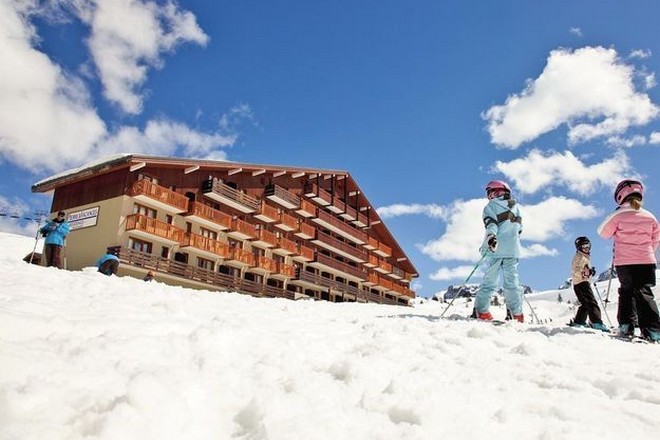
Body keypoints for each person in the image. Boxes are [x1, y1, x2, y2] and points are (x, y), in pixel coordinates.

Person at [598, 179, 660, 341]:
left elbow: (602, 232)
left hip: (625, 261)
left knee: (626, 292)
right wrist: (646, 251)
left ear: (620, 196)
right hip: (647, 260)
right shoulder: (650, 216)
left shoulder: (618, 215)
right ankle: (653, 330)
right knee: (645, 293)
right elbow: (656, 238)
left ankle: (626, 327)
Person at [474, 180, 525, 322]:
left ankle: (481, 310)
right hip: (513, 250)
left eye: (490, 191)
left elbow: (491, 224)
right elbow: (519, 229)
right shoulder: (516, 208)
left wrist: (491, 237)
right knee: (512, 282)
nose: (489, 195)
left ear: (497, 191)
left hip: (496, 248)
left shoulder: (491, 206)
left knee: (490, 281)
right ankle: (517, 314)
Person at [568, 237, 609, 332]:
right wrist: (587, 272)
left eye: (588, 246)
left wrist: (590, 271)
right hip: (582, 283)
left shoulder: (583, 256)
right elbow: (576, 270)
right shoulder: (580, 257)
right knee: (591, 302)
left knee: (585, 304)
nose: (586, 248)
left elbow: (583, 270)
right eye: (584, 246)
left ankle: (579, 321)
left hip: (579, 283)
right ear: (579, 247)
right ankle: (596, 322)